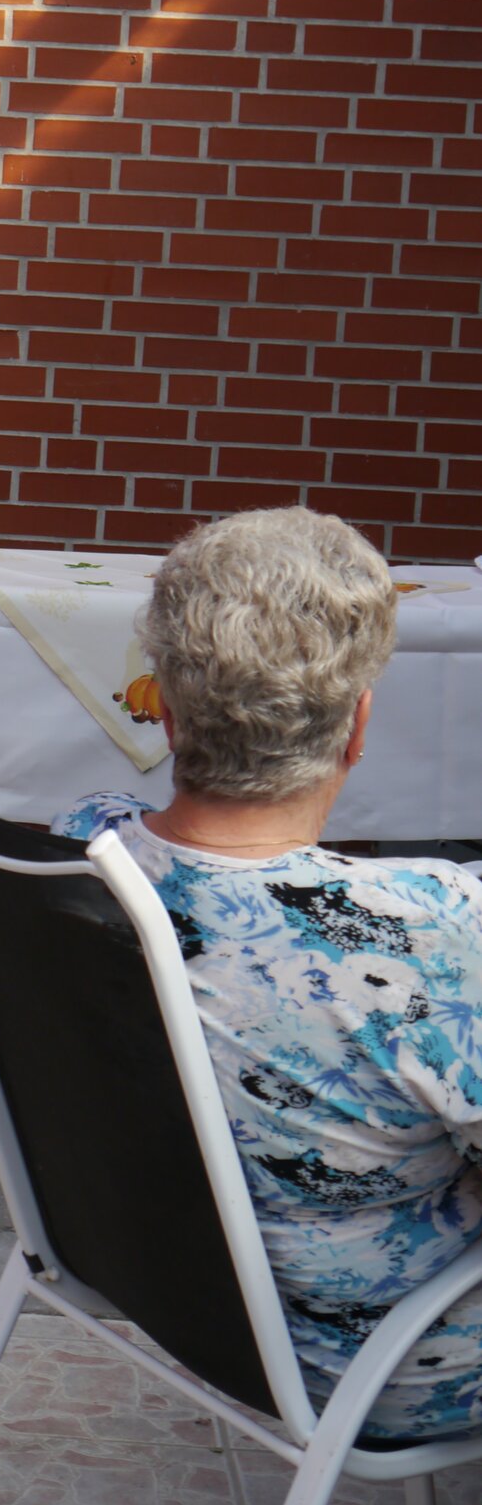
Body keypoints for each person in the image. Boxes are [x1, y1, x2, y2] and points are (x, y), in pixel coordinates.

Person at [55, 505, 482, 1441]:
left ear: (164, 707)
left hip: (193, 1308)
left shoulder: (83, 859)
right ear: (357, 724)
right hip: (384, 1362)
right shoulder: (429, 934)